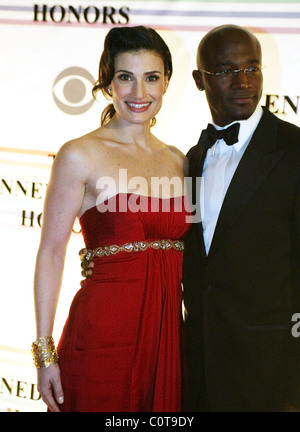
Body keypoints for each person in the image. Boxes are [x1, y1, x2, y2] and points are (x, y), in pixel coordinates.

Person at [32, 25, 191, 412]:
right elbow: (51, 253)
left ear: (167, 82)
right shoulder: (80, 154)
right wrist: (45, 354)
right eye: (126, 78)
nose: (139, 93)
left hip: (166, 337)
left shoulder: (180, 160)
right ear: (108, 83)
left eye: (151, 78)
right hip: (103, 335)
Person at [183, 24, 300, 412]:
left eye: (252, 68)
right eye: (225, 70)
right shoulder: (192, 158)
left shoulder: (294, 149)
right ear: (200, 80)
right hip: (199, 362)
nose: (243, 81)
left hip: (271, 368)